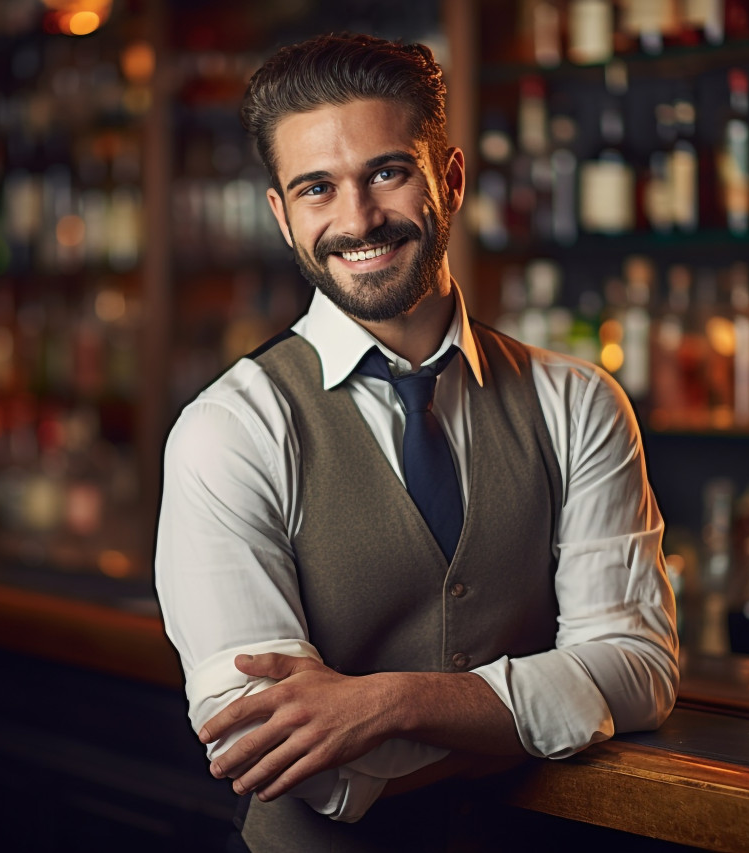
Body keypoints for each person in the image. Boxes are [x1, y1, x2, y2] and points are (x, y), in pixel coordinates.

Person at [154, 33, 678, 852]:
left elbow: (638, 669)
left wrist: (384, 705)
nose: (357, 219)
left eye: (387, 173)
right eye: (317, 188)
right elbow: (266, 747)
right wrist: (534, 716)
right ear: (282, 215)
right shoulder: (230, 432)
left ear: (453, 179)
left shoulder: (578, 403)